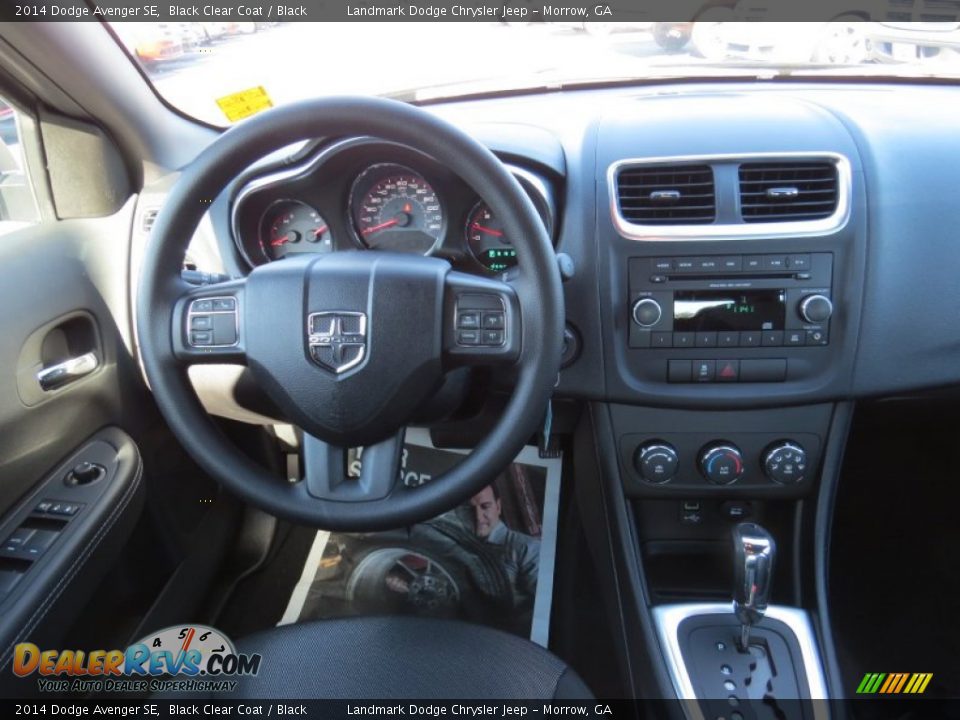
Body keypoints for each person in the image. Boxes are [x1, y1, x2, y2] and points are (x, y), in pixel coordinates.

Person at [469, 484, 540, 609]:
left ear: (498, 507)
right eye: (468, 509)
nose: (478, 517)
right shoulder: (457, 545)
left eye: (485, 506)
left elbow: (540, 608)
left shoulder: (527, 547)